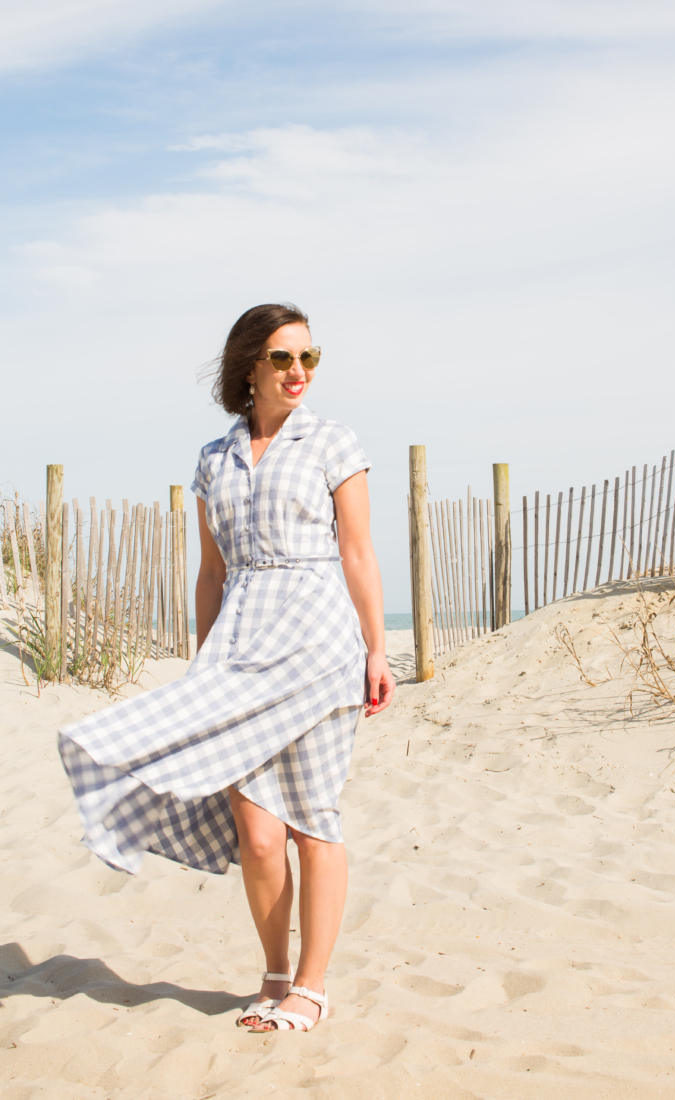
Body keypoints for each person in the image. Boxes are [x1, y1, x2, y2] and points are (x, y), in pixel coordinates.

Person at [58, 302, 395, 1034]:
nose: (298, 371)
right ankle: (273, 973)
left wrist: (377, 647)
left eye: (309, 357)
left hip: (319, 648)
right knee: (258, 835)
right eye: (283, 357)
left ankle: (310, 985)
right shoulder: (214, 457)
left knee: (312, 824)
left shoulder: (334, 442)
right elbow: (210, 575)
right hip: (238, 650)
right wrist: (203, 663)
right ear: (250, 365)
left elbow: (359, 552)